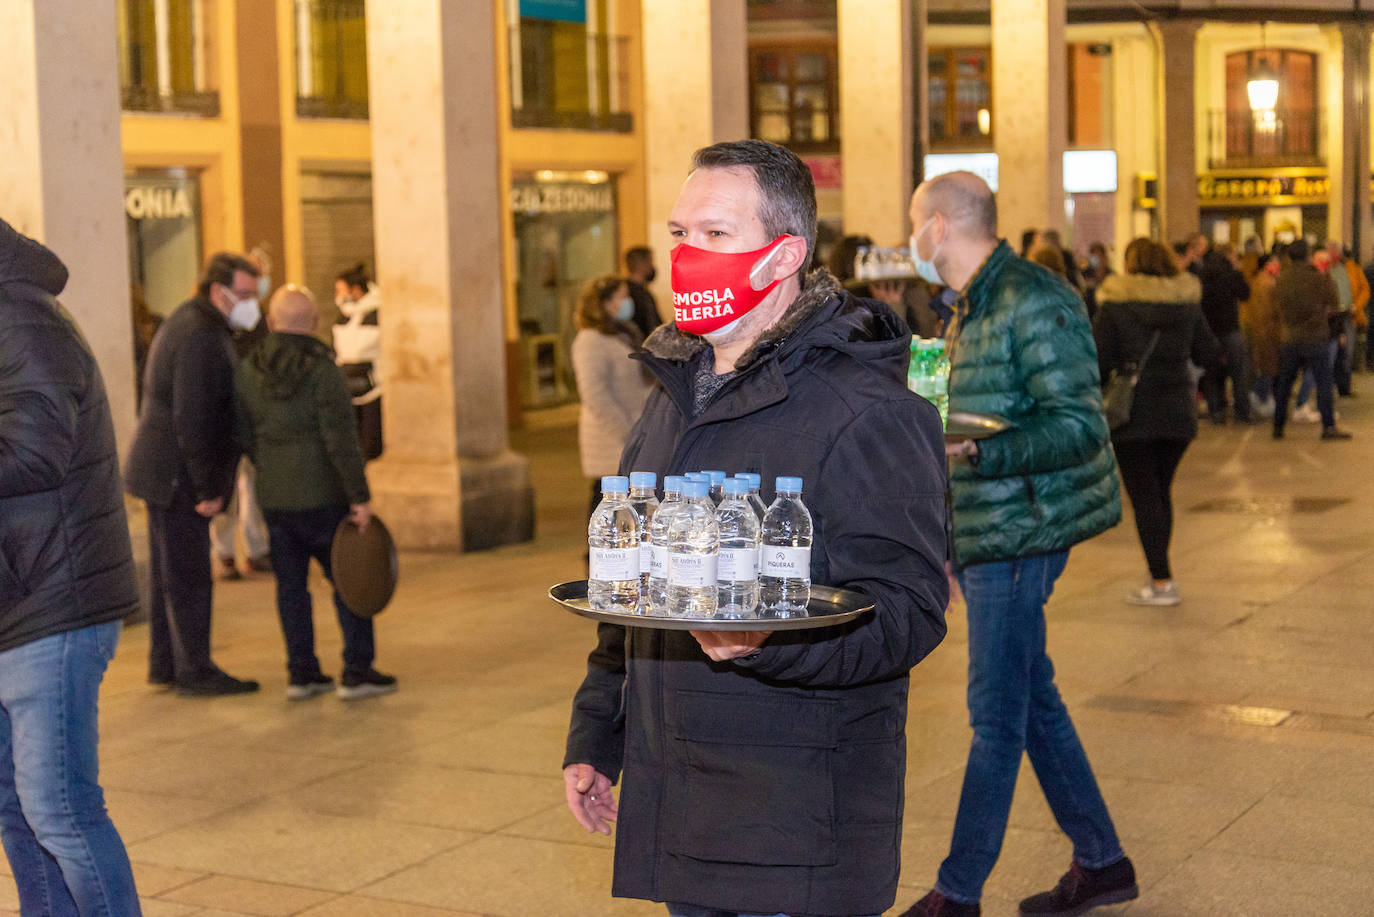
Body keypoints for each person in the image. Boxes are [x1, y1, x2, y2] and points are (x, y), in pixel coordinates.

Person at [563, 139, 949, 917]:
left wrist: (773, 643)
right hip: (686, 813)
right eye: (679, 234)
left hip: (793, 832)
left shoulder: (869, 411)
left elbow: (910, 611)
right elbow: (636, 585)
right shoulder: (670, 396)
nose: (686, 255)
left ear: (784, 257)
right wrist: (597, 733)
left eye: (715, 235)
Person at [900, 172, 1134, 917]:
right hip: (988, 527)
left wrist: (979, 456)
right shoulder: (967, 308)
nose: (913, 241)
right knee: (1032, 700)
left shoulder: (1031, 297)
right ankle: (1102, 860)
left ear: (939, 226)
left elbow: (1081, 424)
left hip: (1021, 529)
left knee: (995, 714)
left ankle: (957, 891)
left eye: (914, 225)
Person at [0, 218, 143, 913]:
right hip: (16, 598)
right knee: (18, 811)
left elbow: (35, 452)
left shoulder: (24, 319)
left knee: (60, 810)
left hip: (54, 601)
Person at [235, 286, 397, 701]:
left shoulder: (249, 368)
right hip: (325, 496)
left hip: (275, 496)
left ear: (271, 323)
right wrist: (358, 496)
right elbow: (341, 439)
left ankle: (302, 673)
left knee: (290, 588)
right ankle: (357, 670)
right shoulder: (324, 370)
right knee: (348, 579)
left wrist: (269, 465)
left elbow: (244, 431)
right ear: (314, 323)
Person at [125, 251, 262, 696]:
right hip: (177, 474)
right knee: (187, 576)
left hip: (162, 467)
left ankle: (166, 664)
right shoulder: (202, 334)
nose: (251, 303)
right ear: (218, 291)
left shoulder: (190, 320)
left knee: (169, 573)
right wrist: (207, 487)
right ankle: (195, 669)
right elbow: (195, 417)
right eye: (243, 294)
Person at [1093, 239, 1222, 606]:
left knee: (1146, 497)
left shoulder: (1116, 305)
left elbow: (1098, 360)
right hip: (1179, 410)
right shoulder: (1187, 304)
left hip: (1132, 413)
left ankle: (1162, 581)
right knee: (1160, 492)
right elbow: (1211, 354)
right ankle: (1160, 575)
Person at [570, 274, 654, 522]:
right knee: (605, 499)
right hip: (611, 436)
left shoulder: (623, 333)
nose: (628, 302)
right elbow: (594, 394)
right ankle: (595, 556)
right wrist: (626, 431)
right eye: (622, 297)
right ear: (605, 303)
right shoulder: (590, 340)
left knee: (626, 504)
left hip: (633, 430)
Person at [1271, 240, 1352, 440]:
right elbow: (1333, 301)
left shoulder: (1282, 279)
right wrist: (1326, 276)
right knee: (1324, 383)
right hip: (1315, 337)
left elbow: (1277, 304)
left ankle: (1278, 426)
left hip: (1290, 337)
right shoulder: (1316, 278)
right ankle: (1328, 427)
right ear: (1308, 255)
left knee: (1285, 384)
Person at [1196, 244, 1253, 424]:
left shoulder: (1204, 272)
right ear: (1229, 256)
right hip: (1230, 328)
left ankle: (1217, 411)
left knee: (1213, 373)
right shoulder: (1230, 272)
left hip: (1210, 329)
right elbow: (1244, 294)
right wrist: (1238, 272)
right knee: (1238, 372)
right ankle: (1242, 412)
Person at [333, 263, 383, 460]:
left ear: (355, 290)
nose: (337, 295)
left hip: (374, 389)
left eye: (340, 290)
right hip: (348, 390)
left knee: (371, 445)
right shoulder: (344, 318)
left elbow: (362, 348)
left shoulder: (378, 314)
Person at [1323, 240, 1368, 397]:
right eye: (1330, 251)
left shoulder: (1351, 268)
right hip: (1330, 317)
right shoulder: (1323, 269)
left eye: (1335, 251)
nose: (1333, 254)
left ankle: (1344, 387)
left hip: (1348, 314)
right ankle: (1330, 385)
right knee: (1331, 352)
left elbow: (1364, 289)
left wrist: (1357, 305)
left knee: (1347, 351)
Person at [624, 245, 663, 339]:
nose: (652, 266)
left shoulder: (646, 293)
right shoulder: (625, 293)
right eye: (650, 261)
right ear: (641, 264)